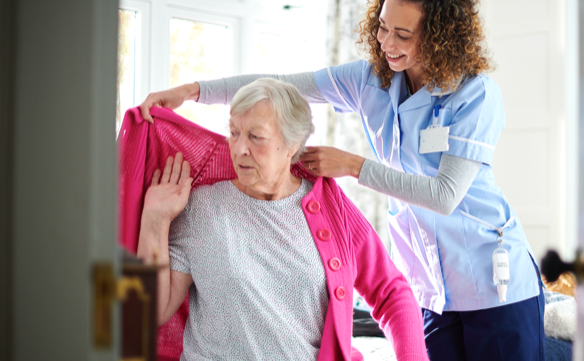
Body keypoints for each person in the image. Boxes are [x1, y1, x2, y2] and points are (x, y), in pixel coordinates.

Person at [139, 0, 545, 359]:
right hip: (433, 287)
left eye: (403, 35)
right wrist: (193, 91)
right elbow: (281, 84)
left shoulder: (474, 94)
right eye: (383, 28)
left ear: (439, 38)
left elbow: (444, 196)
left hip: (494, 280)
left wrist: (352, 166)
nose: (386, 43)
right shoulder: (371, 80)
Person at [135, 79, 428, 361]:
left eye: (256, 137)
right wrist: (155, 220)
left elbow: (391, 292)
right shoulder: (200, 207)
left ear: (293, 143)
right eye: (234, 132)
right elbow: (149, 312)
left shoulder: (330, 207)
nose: (239, 149)